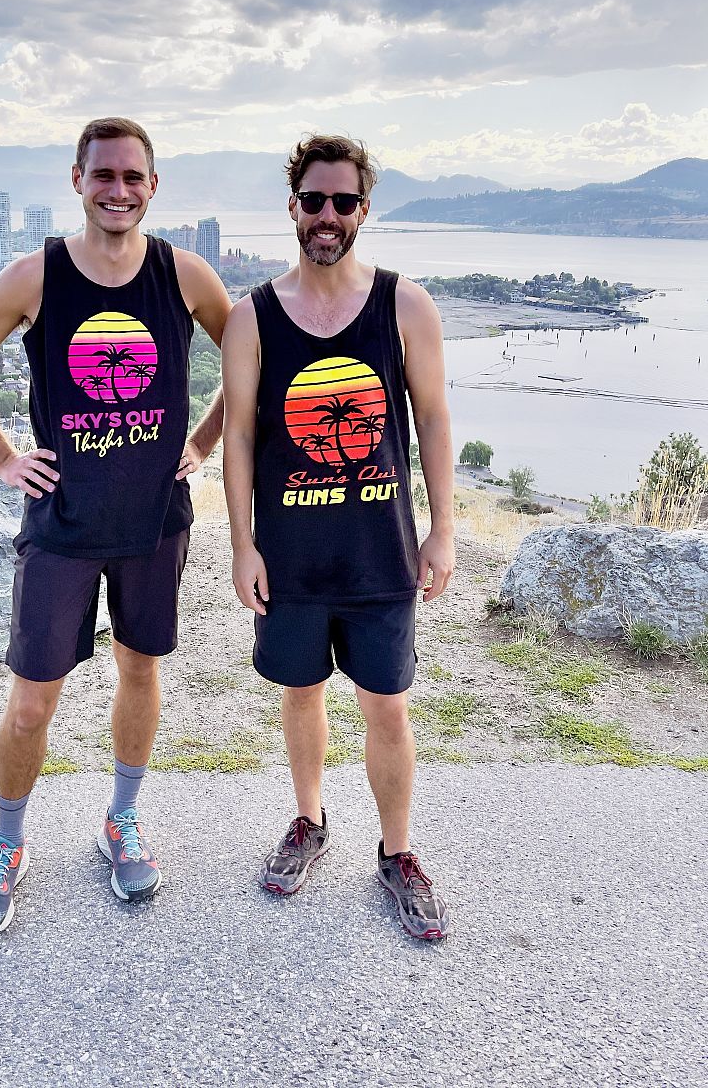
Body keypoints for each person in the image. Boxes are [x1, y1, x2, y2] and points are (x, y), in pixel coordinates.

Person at [0, 117, 231, 936]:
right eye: (104, 175)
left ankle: (121, 820)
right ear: (77, 180)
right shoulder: (36, 277)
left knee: (139, 670)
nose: (118, 190)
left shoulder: (183, 274)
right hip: (62, 523)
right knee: (33, 701)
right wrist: (3, 456)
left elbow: (250, 358)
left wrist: (203, 442)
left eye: (133, 177)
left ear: (153, 186)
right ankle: (7, 842)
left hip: (153, 522)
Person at [221, 133, 455, 941]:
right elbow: (239, 437)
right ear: (293, 206)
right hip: (289, 555)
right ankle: (309, 819)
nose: (327, 214)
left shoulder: (405, 306)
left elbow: (432, 420)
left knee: (387, 706)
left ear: (364, 209)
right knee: (301, 692)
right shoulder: (252, 316)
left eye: (343, 201)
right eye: (314, 199)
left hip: (380, 551)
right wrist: (242, 543)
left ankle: (398, 852)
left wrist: (443, 530)